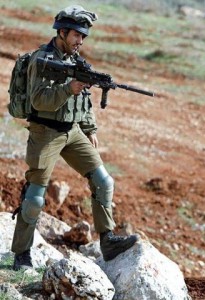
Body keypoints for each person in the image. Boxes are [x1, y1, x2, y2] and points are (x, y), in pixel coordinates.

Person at [11, 5, 139, 271]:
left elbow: (84, 100)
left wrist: (89, 129)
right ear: (62, 32)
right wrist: (69, 88)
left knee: (104, 181)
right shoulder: (42, 60)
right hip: (45, 132)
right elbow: (39, 100)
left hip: (73, 132)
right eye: (76, 35)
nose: (80, 40)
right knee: (34, 198)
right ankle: (21, 255)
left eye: (84, 36)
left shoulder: (74, 60)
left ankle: (108, 240)